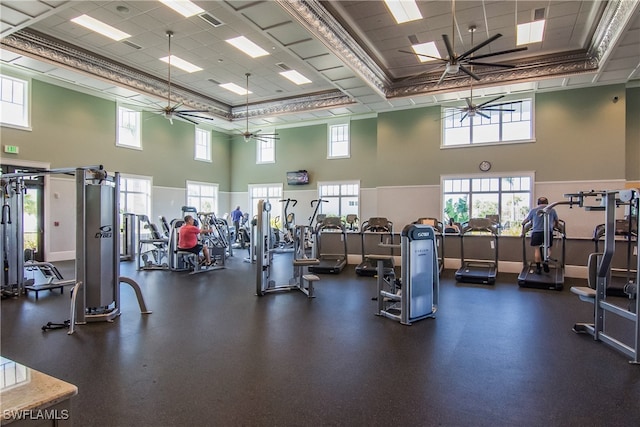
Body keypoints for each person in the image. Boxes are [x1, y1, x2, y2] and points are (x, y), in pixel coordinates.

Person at [522, 197, 559, 274]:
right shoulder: (552, 210)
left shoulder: (533, 210)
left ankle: (538, 268)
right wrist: (555, 227)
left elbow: (526, 220)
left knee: (537, 249)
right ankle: (546, 261)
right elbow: (556, 221)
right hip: (548, 232)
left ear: (538, 203)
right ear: (547, 202)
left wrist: (523, 223)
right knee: (549, 248)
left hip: (536, 232)